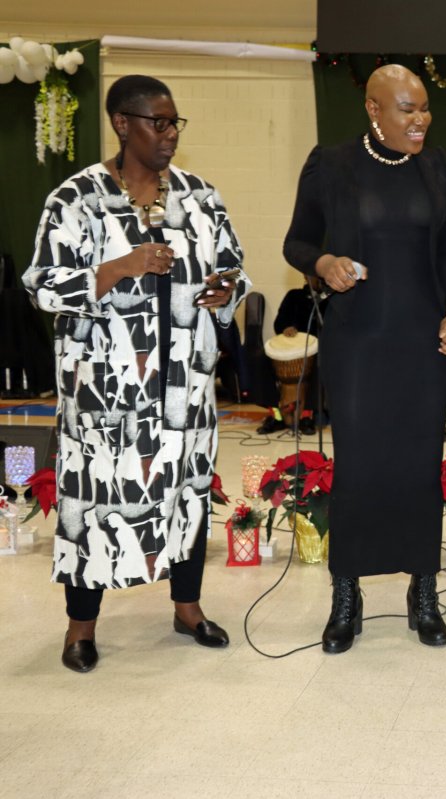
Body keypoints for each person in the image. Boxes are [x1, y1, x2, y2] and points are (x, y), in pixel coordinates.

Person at [23, 75, 249, 672]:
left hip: (185, 392)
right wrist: (120, 266)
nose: (170, 133)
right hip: (104, 397)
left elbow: (235, 272)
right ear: (123, 123)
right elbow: (43, 287)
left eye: (176, 123)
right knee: (93, 502)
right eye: (159, 122)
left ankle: (188, 608)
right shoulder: (75, 199)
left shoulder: (202, 198)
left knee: (188, 495)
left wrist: (226, 289)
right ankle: (80, 627)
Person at [282, 64, 446, 652]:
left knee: (419, 465)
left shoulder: (435, 168)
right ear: (373, 109)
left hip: (422, 342)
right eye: (407, 109)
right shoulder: (331, 165)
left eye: (425, 108)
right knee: (358, 465)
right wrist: (322, 264)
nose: (421, 119)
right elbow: (297, 241)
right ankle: (346, 594)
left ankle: (424, 591)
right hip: (358, 339)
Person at [257, 274, 326, 436]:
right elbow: (279, 323)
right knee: (261, 358)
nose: (316, 279)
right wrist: (286, 327)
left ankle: (307, 416)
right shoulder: (293, 296)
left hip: (315, 349)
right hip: (290, 349)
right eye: (312, 275)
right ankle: (277, 416)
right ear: (305, 276)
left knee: (320, 362)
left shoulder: (329, 299)